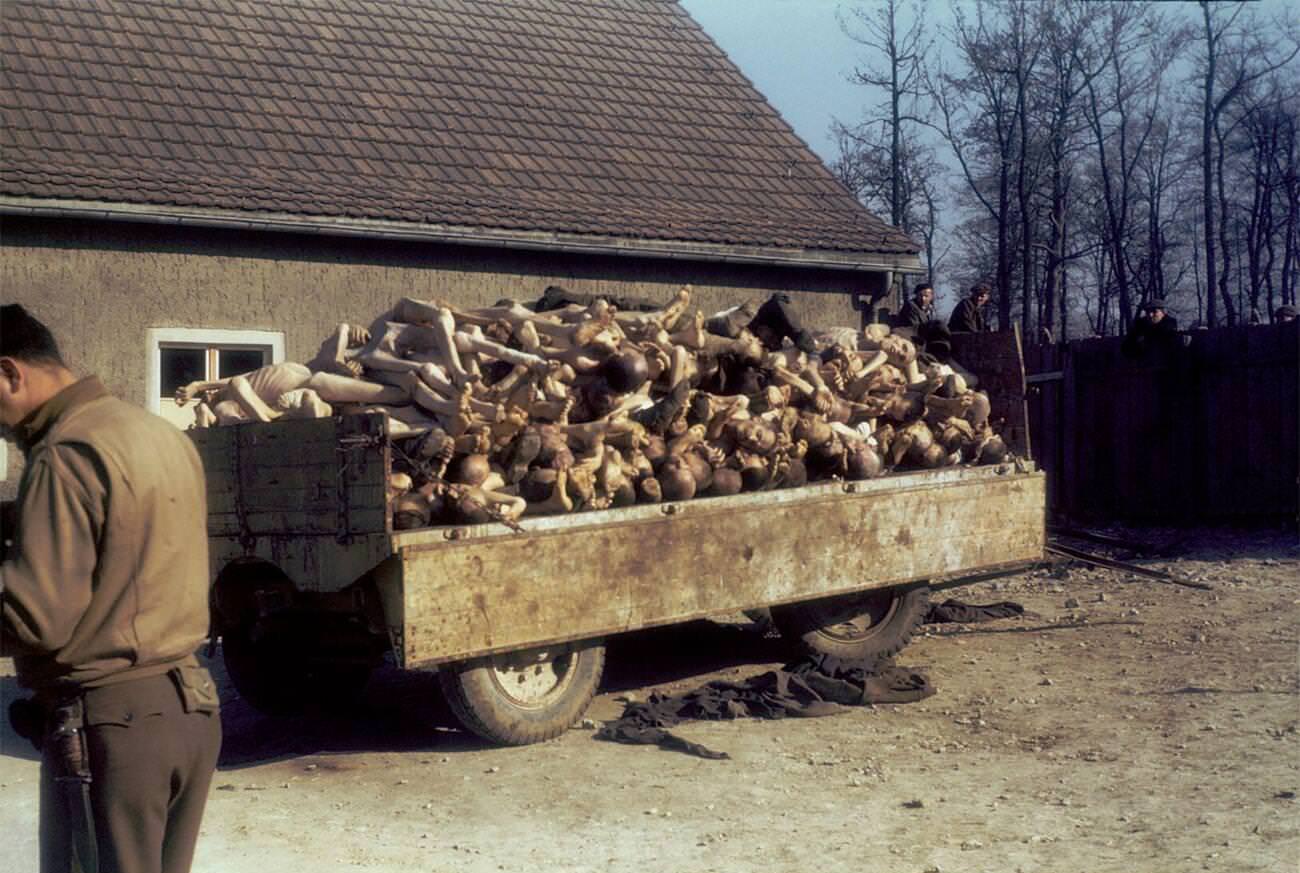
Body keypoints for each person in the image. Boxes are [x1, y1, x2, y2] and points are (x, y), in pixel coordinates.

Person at [0, 304, 221, 873]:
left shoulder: (65, 453)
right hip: (188, 709)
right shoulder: (152, 430)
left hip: (113, 727)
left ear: (9, 373)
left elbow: (35, 617)